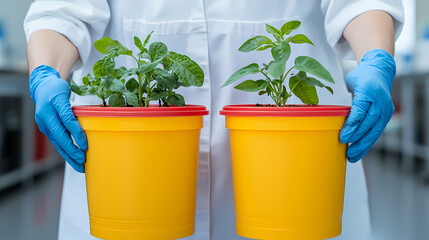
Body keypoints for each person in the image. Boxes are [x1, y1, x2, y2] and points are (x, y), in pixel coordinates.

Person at [24, 1, 404, 239]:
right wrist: (46, 72)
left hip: (296, 163)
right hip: (129, 165)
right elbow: (61, 10)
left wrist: (376, 57)